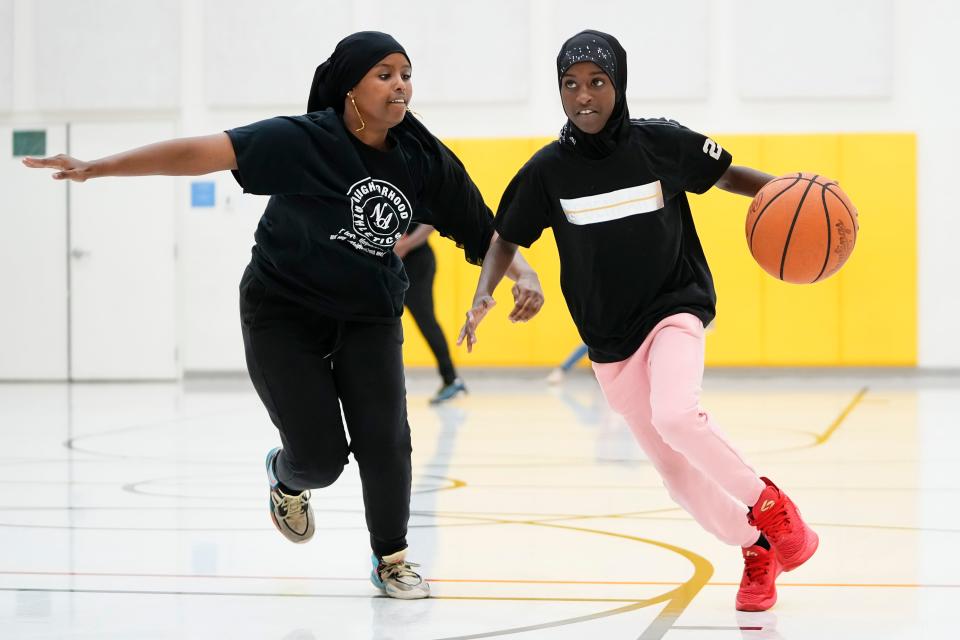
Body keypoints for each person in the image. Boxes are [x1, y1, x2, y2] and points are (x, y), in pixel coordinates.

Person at [24, 31, 544, 600]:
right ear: (351, 88)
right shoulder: (304, 141)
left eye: (406, 73)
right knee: (319, 460)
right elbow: (202, 153)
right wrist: (96, 167)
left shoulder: (423, 159)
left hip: (367, 311)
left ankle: (391, 557)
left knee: (386, 437)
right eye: (385, 74)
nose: (401, 85)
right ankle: (285, 476)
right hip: (283, 308)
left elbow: (483, 228)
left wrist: (523, 275)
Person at [458, 30, 817, 612]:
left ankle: (774, 508)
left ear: (618, 85)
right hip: (609, 342)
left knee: (676, 413)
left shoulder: (659, 144)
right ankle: (755, 546)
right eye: (570, 85)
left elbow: (726, 175)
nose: (584, 97)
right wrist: (484, 295)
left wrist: (788, 190)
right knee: (679, 482)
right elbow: (504, 238)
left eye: (597, 82)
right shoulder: (547, 171)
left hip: (674, 307)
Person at [394, 222, 467, 403]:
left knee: (425, 320)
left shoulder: (416, 195)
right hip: (391, 261)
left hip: (415, 261)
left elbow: (431, 222)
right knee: (376, 319)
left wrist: (406, 244)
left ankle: (451, 379)